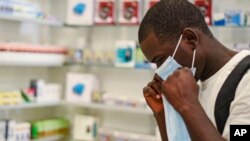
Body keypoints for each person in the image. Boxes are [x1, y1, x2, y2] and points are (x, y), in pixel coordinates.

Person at [138, 0, 250, 141]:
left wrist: (187, 104)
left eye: (161, 60)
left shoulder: (245, 80)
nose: (159, 71)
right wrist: (162, 115)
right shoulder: (194, 82)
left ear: (190, 39)